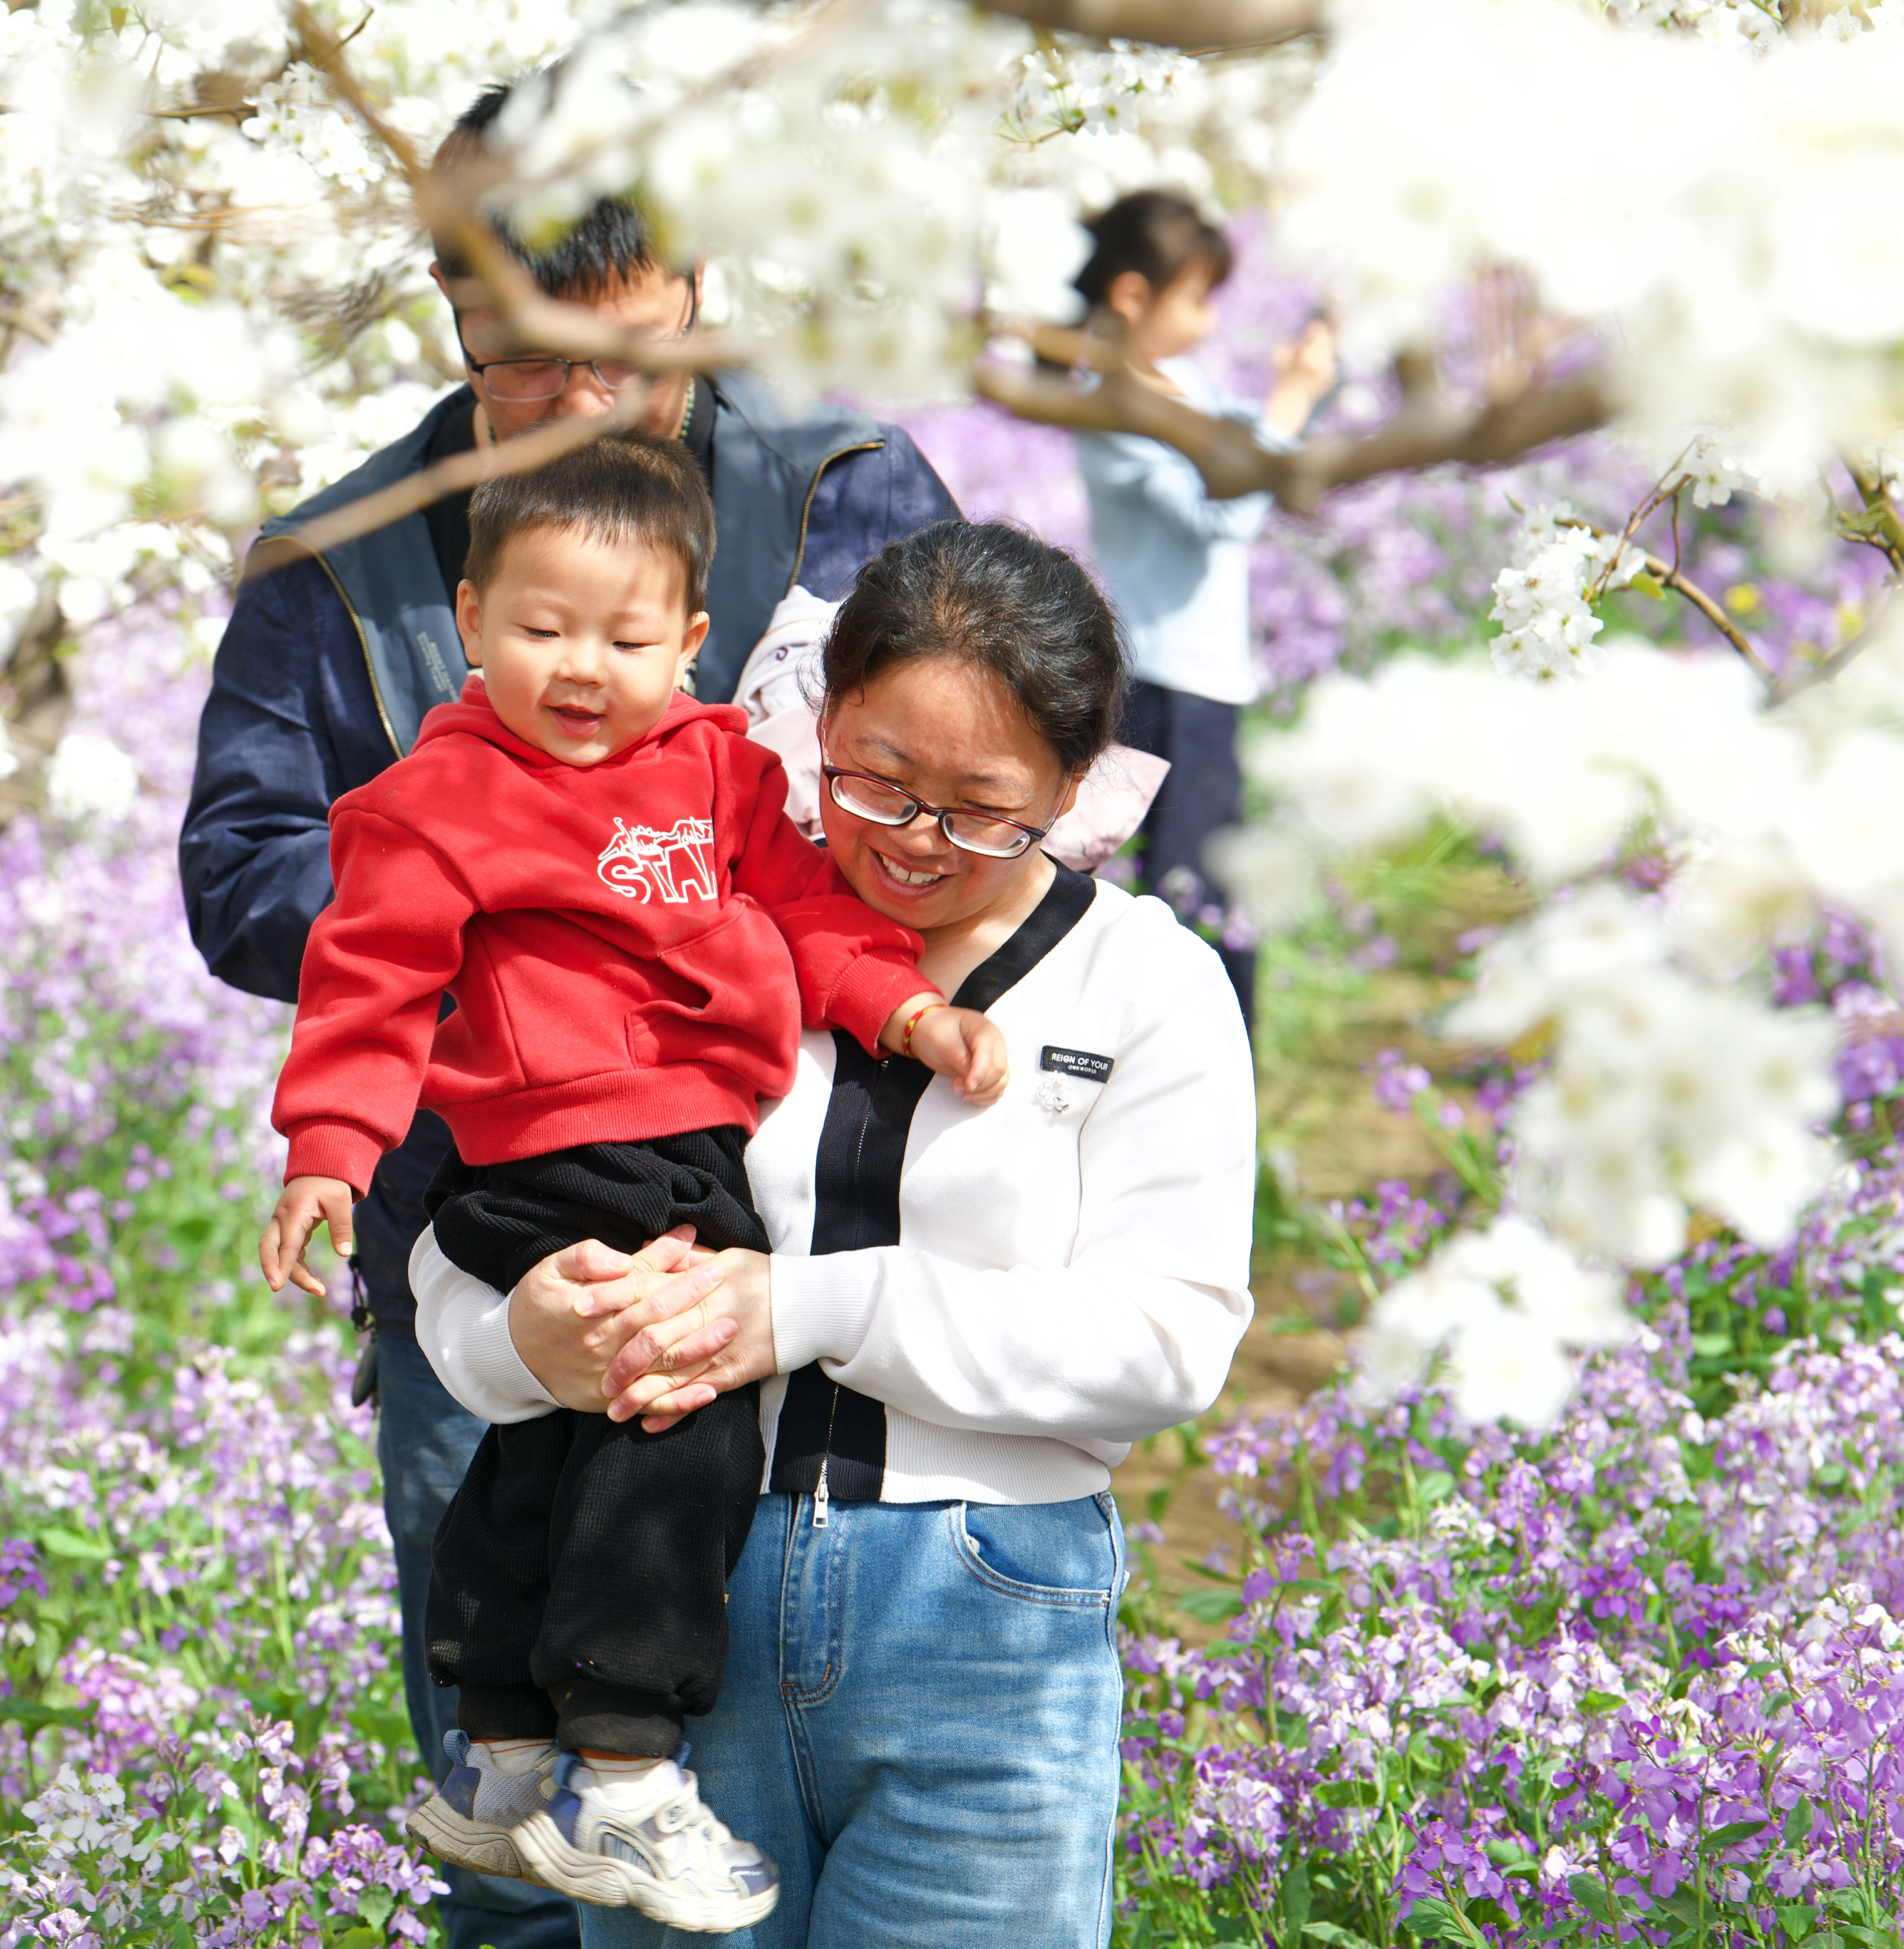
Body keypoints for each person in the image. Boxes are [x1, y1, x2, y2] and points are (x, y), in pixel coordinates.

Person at [177, 71, 963, 1949]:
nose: (585, 414)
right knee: (528, 1789)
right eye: (523, 369)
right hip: (500, 1236)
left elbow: (991, 792)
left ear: (697, 284)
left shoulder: (851, 492)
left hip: (831, 1226)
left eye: (630, 361)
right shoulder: (348, 556)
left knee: (835, 1746)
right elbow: (240, 870)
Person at [415, 521, 1257, 1949]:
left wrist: (809, 1307)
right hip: (676, 1601)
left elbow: (1167, 1344)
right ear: (816, 718)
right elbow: (475, 1223)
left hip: (984, 1611)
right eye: (873, 779)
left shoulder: (1148, 984)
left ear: (1074, 784)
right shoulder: (683, 912)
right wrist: (512, 1345)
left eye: (983, 808)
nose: (914, 843)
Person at [256, 434, 1003, 1934]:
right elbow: (367, 980)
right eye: (539, 630)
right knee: (684, 1418)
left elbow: (805, 913)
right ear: (467, 622)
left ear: (691, 639)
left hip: (680, 1144)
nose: (580, 667)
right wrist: (330, 1148)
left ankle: (504, 1742)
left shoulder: (719, 769)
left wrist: (903, 1009)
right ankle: (628, 1765)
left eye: (623, 635)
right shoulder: (437, 797)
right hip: (557, 1145)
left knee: (572, 1433)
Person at [1067, 190, 1336, 1023]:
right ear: (1132, 297)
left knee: (1216, 902)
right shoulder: (1112, 403)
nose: (1213, 322)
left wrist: (1301, 390)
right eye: (1197, 299)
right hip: (1164, 684)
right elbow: (1220, 508)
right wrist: (1287, 406)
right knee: (1188, 906)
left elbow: (1258, 461)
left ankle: (1223, 1103)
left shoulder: (1180, 386)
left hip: (1205, 681)